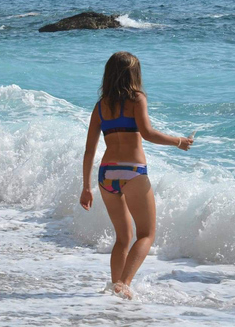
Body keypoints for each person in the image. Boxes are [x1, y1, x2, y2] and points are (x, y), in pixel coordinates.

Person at [79, 51, 193, 299]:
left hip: (106, 174)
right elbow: (148, 133)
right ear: (134, 74)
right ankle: (124, 283)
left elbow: (89, 150)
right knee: (146, 234)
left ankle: (115, 288)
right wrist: (179, 141)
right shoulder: (137, 99)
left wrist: (86, 187)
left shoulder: (100, 107)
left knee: (122, 237)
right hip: (132, 172)